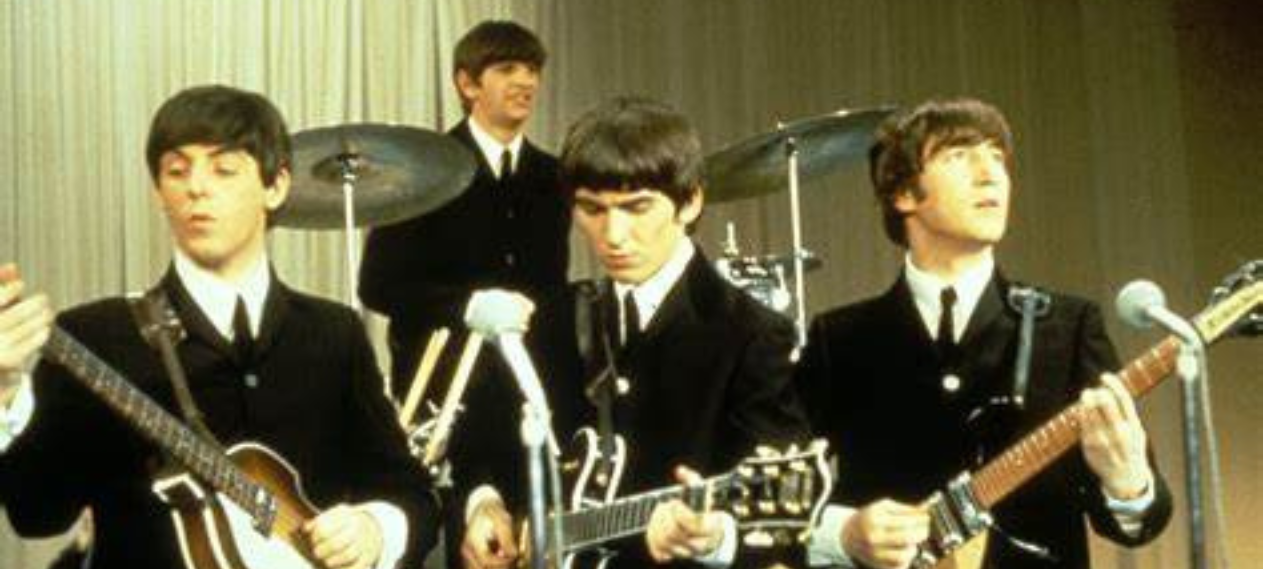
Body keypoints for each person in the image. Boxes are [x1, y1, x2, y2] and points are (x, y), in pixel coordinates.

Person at [0, 85, 439, 569]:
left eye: (223, 169)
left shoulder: (335, 334)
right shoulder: (96, 335)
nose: (196, 187)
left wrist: (375, 529)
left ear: (276, 186)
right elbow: (35, 514)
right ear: (159, 192)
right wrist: (5, 393)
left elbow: (413, 496)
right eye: (176, 171)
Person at [795, 98, 1173, 568]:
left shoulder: (1070, 326)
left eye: (997, 156)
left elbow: (1138, 524)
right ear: (903, 193)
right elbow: (771, 504)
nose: (990, 173)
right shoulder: (839, 339)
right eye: (959, 155)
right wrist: (842, 533)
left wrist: (1128, 480)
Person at [458, 96, 811, 569]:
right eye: (592, 209)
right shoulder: (549, 320)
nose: (613, 235)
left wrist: (714, 538)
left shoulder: (752, 336)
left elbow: (783, 526)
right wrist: (484, 503)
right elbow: (479, 438)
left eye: (637, 207)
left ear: (691, 201)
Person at [357, 20, 570, 569]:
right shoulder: (425, 171)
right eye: (507, 69)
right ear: (468, 83)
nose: (526, 81)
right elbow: (377, 284)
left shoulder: (555, 177)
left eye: (532, 70)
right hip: (446, 396)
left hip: (531, 395)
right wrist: (467, 308)